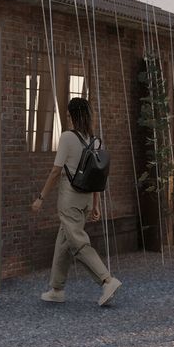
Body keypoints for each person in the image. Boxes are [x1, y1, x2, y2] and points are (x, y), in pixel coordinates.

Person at [33, 93, 122, 308]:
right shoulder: (96, 141)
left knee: (78, 244)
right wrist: (96, 205)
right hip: (86, 201)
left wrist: (40, 197)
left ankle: (106, 280)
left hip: (70, 199)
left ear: (72, 116)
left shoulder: (67, 138)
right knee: (63, 242)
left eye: (68, 115)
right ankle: (57, 289)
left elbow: (56, 171)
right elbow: (97, 176)